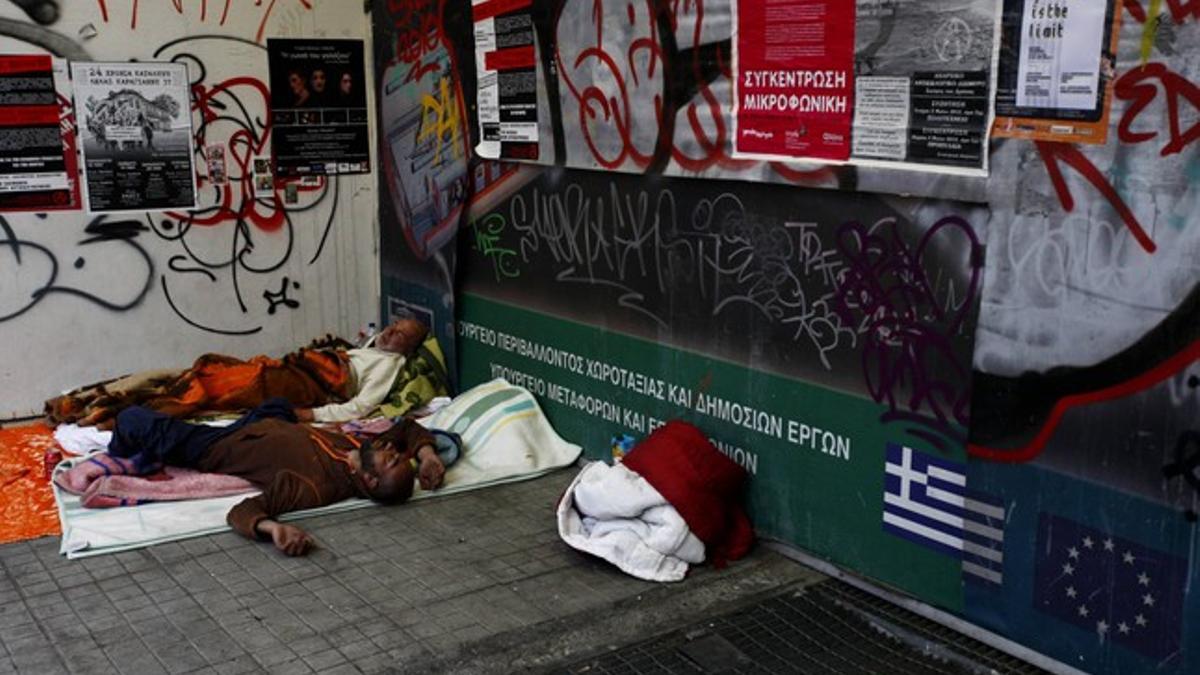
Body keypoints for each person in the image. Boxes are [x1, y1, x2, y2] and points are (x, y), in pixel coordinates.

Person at [105, 399, 447, 556]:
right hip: (260, 424)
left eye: (392, 462)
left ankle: (120, 457)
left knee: (132, 418)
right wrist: (428, 454)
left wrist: (273, 529)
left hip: (218, 446)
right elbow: (406, 428)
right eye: (399, 456)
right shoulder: (363, 450)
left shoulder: (315, 485)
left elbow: (244, 511)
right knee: (278, 404)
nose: (395, 453)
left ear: (370, 482)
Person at [45, 318, 439, 428]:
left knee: (203, 388)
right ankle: (86, 400)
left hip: (293, 384)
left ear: (409, 347)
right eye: (394, 325)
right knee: (187, 375)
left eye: (402, 333)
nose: (392, 331)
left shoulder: (391, 365)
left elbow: (359, 408)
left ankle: (100, 416)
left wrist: (312, 415)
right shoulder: (370, 347)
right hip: (285, 369)